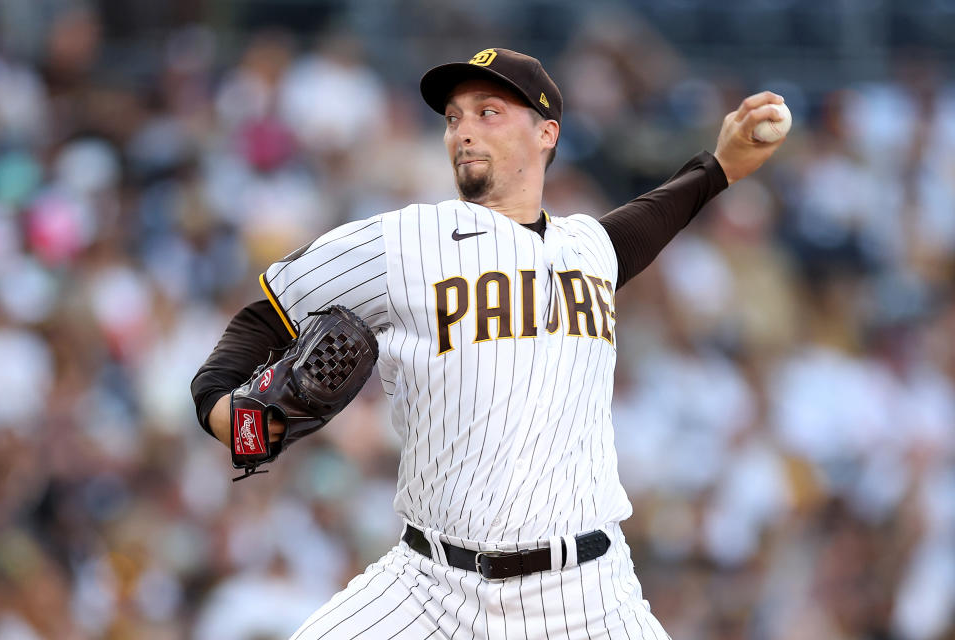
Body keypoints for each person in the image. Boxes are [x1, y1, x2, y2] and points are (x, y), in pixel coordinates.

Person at [191, 47, 786, 639]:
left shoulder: (588, 248)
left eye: (488, 112)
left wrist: (720, 168)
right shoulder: (403, 242)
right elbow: (265, 317)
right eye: (453, 118)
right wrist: (225, 416)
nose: (463, 132)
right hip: (429, 588)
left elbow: (646, 222)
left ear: (547, 133)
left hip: (588, 593)